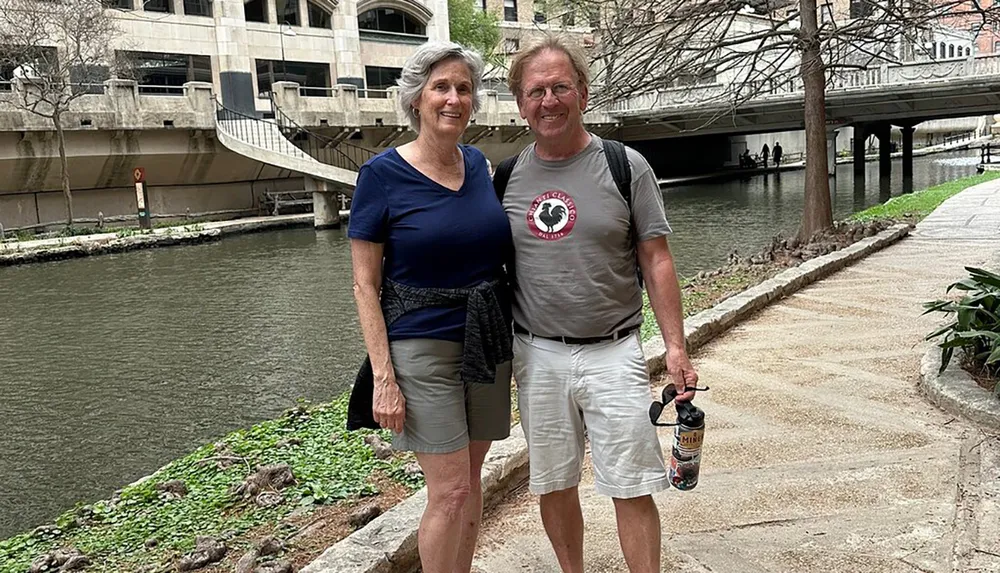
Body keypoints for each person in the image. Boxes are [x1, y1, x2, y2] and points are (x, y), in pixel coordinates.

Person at [498, 35, 699, 573]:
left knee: (631, 484)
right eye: (536, 90)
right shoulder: (505, 176)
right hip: (537, 355)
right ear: (520, 103)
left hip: (614, 351)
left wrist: (675, 346)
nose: (549, 101)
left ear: (582, 93)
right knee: (554, 482)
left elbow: (656, 259)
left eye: (560, 86)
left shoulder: (623, 165)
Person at [348, 41, 513, 573]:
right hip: (421, 347)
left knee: (472, 482)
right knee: (448, 490)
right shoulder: (381, 175)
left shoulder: (478, 163)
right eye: (441, 87)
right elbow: (363, 285)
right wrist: (384, 379)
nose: (454, 98)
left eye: (464, 88)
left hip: (486, 340)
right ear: (416, 99)